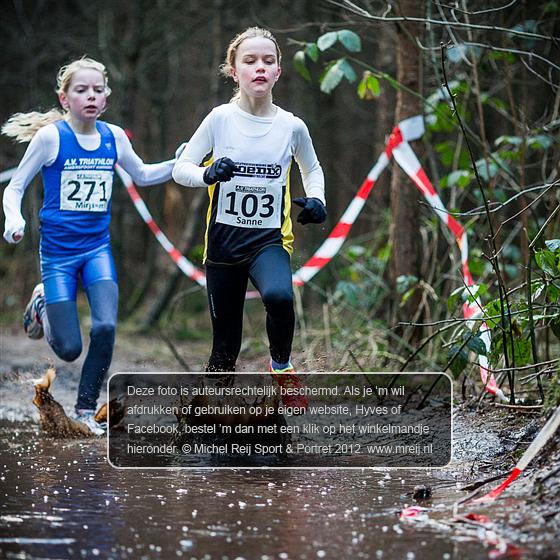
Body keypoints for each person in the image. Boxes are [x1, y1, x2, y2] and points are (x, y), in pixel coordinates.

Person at [2, 57, 183, 435]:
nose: (90, 96)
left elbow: (143, 174)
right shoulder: (51, 138)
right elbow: (15, 187)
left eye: (97, 90)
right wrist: (14, 219)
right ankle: (42, 304)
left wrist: (178, 162)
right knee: (68, 349)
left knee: (105, 326)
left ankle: (85, 410)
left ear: (106, 97)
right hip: (58, 255)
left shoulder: (113, 137)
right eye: (81, 90)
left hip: (96, 250)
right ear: (64, 98)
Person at [173, 27, 326, 411]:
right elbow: (181, 168)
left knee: (279, 296)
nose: (260, 67)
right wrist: (207, 174)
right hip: (223, 246)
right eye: (250, 61)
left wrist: (317, 200)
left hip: (268, 241)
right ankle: (203, 420)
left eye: (268, 61)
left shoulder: (291, 126)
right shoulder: (220, 119)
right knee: (225, 348)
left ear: (278, 72)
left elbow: (312, 168)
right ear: (234, 71)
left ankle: (281, 368)